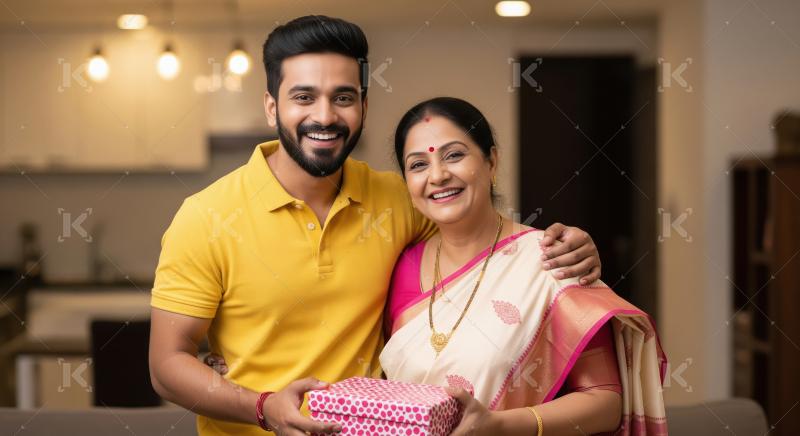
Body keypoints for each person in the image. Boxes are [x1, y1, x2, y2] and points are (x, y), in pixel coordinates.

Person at [149, 16, 603, 436]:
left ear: (363, 105)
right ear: (272, 107)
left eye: (343, 97)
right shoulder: (205, 217)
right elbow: (167, 363)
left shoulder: (396, 199)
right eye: (303, 97)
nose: (325, 116)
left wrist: (562, 244)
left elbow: (486, 248)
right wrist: (263, 407)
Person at [379, 97, 668, 435]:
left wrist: (502, 425)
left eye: (454, 155)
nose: (438, 175)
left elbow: (605, 402)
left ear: (491, 162)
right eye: (418, 165)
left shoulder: (550, 259)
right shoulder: (401, 267)